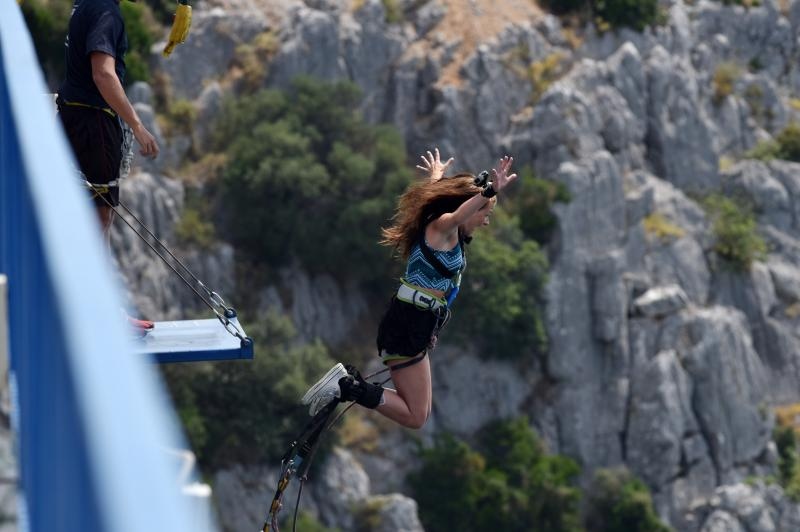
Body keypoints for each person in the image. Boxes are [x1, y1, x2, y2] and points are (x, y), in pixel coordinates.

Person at [301, 149, 518, 429]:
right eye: (484, 213)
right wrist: (487, 192)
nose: (485, 220)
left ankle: (349, 385)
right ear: (470, 208)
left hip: (416, 322)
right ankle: (346, 385)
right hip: (409, 321)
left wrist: (436, 176)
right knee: (415, 416)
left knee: (420, 413)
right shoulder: (443, 227)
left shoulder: (444, 228)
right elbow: (456, 214)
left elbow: (442, 202)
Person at [56, 0, 160, 333]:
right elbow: (103, 73)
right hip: (93, 122)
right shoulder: (105, 11)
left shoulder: (84, 4)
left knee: (82, 211)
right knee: (98, 215)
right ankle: (98, 312)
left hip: (72, 116)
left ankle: (85, 305)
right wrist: (137, 125)